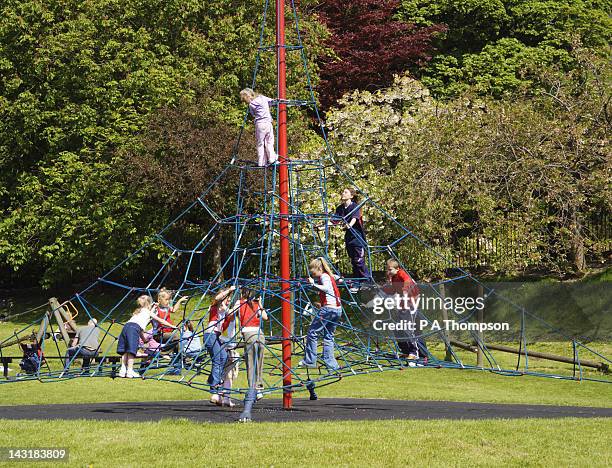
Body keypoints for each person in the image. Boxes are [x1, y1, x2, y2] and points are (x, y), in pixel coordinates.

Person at [116, 295, 176, 378]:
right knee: (131, 351)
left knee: (125, 350)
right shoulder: (148, 312)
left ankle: (122, 370)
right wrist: (172, 326)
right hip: (134, 329)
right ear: (149, 304)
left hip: (126, 327)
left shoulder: (138, 312)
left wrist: (144, 340)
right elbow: (161, 321)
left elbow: (140, 330)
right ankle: (130, 371)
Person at [299, 257, 342, 370]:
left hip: (328, 309)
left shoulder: (324, 276)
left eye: (313, 271)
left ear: (319, 268)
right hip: (337, 309)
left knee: (312, 332)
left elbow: (326, 288)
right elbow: (335, 280)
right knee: (328, 336)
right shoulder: (329, 276)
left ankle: (309, 361)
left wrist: (313, 284)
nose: (312, 274)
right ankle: (331, 365)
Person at [382, 259, 426, 360]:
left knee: (407, 328)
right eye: (387, 270)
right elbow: (393, 290)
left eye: (390, 270)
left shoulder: (401, 273)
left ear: (397, 269)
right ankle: (405, 351)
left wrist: (405, 291)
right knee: (397, 328)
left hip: (411, 303)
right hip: (403, 303)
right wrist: (382, 289)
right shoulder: (393, 278)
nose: (388, 272)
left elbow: (407, 281)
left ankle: (414, 352)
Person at [204, 286, 235, 405]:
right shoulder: (215, 305)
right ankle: (214, 390)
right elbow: (217, 298)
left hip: (217, 336)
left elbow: (231, 314)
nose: (228, 299)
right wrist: (229, 291)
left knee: (224, 357)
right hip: (211, 334)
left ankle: (213, 380)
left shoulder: (224, 307)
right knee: (217, 360)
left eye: (229, 298)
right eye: (227, 298)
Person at [334, 188, 370, 288]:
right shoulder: (340, 208)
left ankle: (366, 281)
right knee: (353, 261)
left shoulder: (355, 207)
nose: (343, 193)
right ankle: (357, 283)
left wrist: (349, 225)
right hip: (349, 237)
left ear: (351, 196)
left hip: (357, 237)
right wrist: (322, 226)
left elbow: (355, 218)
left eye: (345, 192)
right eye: (342, 192)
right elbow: (334, 220)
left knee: (359, 260)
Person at [239, 289, 269, 399]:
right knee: (259, 362)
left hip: (248, 334)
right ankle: (259, 389)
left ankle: (252, 388)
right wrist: (260, 304)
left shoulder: (239, 303)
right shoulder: (256, 304)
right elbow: (265, 317)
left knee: (250, 362)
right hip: (259, 333)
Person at [240, 88, 278, 167]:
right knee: (269, 141)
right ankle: (272, 159)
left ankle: (262, 162)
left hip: (260, 124)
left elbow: (253, 114)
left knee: (260, 143)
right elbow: (272, 102)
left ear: (249, 96)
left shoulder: (251, 105)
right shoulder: (262, 98)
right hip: (268, 123)